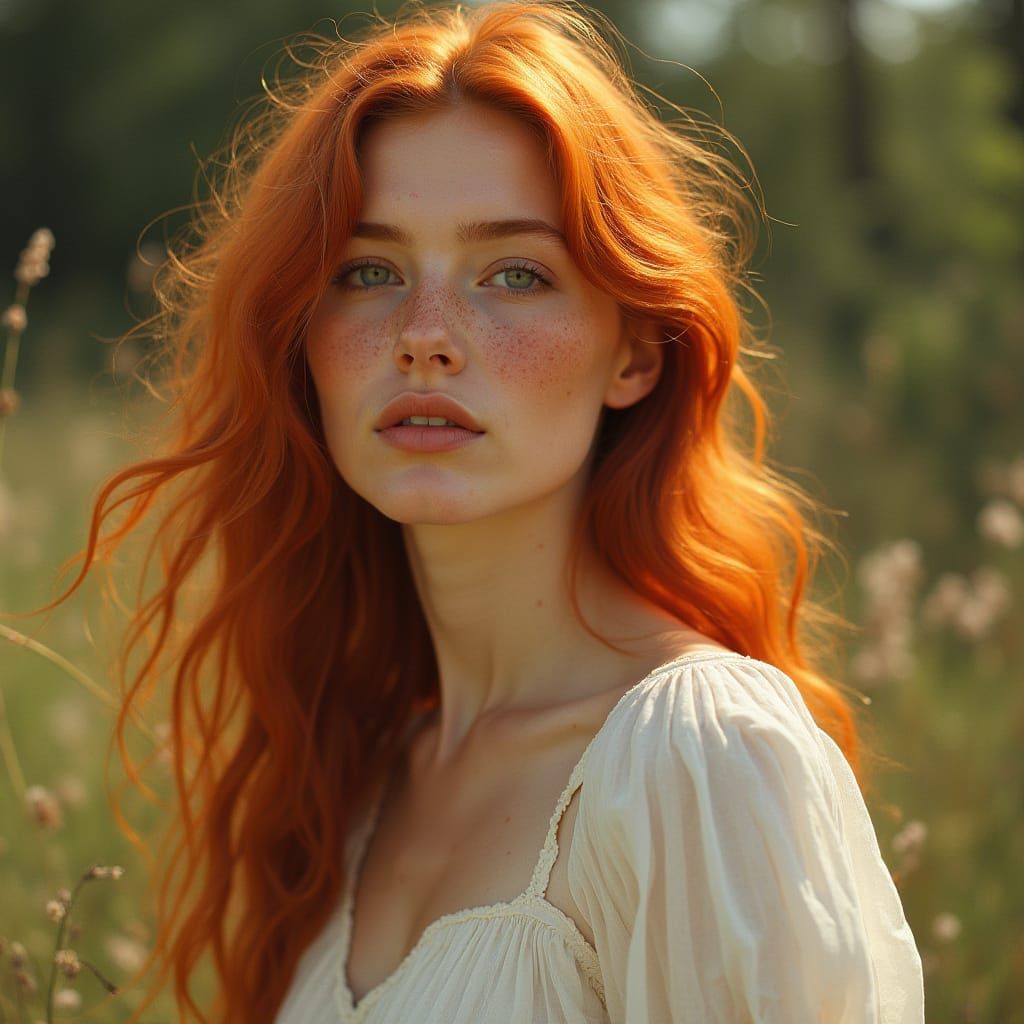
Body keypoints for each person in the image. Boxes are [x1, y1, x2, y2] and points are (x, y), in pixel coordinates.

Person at [33, 0, 924, 1021]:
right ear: (301, 338)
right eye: (369, 272)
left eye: (514, 273)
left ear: (633, 352)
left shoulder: (697, 755)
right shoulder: (356, 778)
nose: (425, 337)